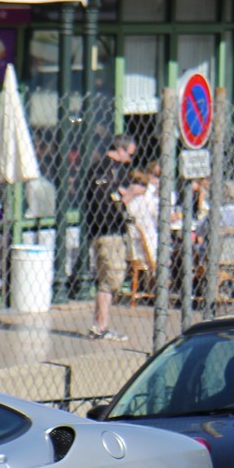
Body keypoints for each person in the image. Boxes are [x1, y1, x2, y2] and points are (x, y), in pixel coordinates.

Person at [84, 134, 137, 340]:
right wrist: (129, 195)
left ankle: (101, 325)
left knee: (107, 279)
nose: (131, 160)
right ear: (121, 150)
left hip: (104, 230)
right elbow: (107, 202)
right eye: (130, 154)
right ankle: (100, 326)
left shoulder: (105, 169)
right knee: (111, 279)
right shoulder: (107, 170)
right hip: (107, 231)